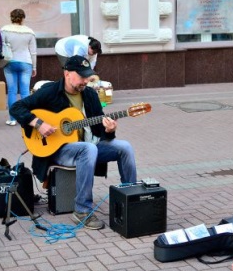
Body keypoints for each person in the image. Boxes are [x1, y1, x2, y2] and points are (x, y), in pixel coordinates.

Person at [9, 55, 137, 230]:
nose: (85, 80)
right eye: (82, 76)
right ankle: (82, 211)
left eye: (87, 76)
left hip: (86, 147)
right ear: (67, 73)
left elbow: (99, 131)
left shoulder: (90, 95)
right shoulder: (50, 91)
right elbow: (16, 108)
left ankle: (131, 198)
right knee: (89, 149)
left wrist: (109, 130)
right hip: (57, 150)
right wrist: (38, 123)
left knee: (124, 147)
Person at [0, 9, 37, 126]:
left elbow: (0, 47)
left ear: (11, 17)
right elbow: (33, 52)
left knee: (12, 91)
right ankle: (27, 119)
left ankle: (12, 119)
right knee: (25, 92)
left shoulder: (4, 30)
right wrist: (34, 67)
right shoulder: (30, 32)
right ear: (23, 18)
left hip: (10, 62)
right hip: (26, 63)